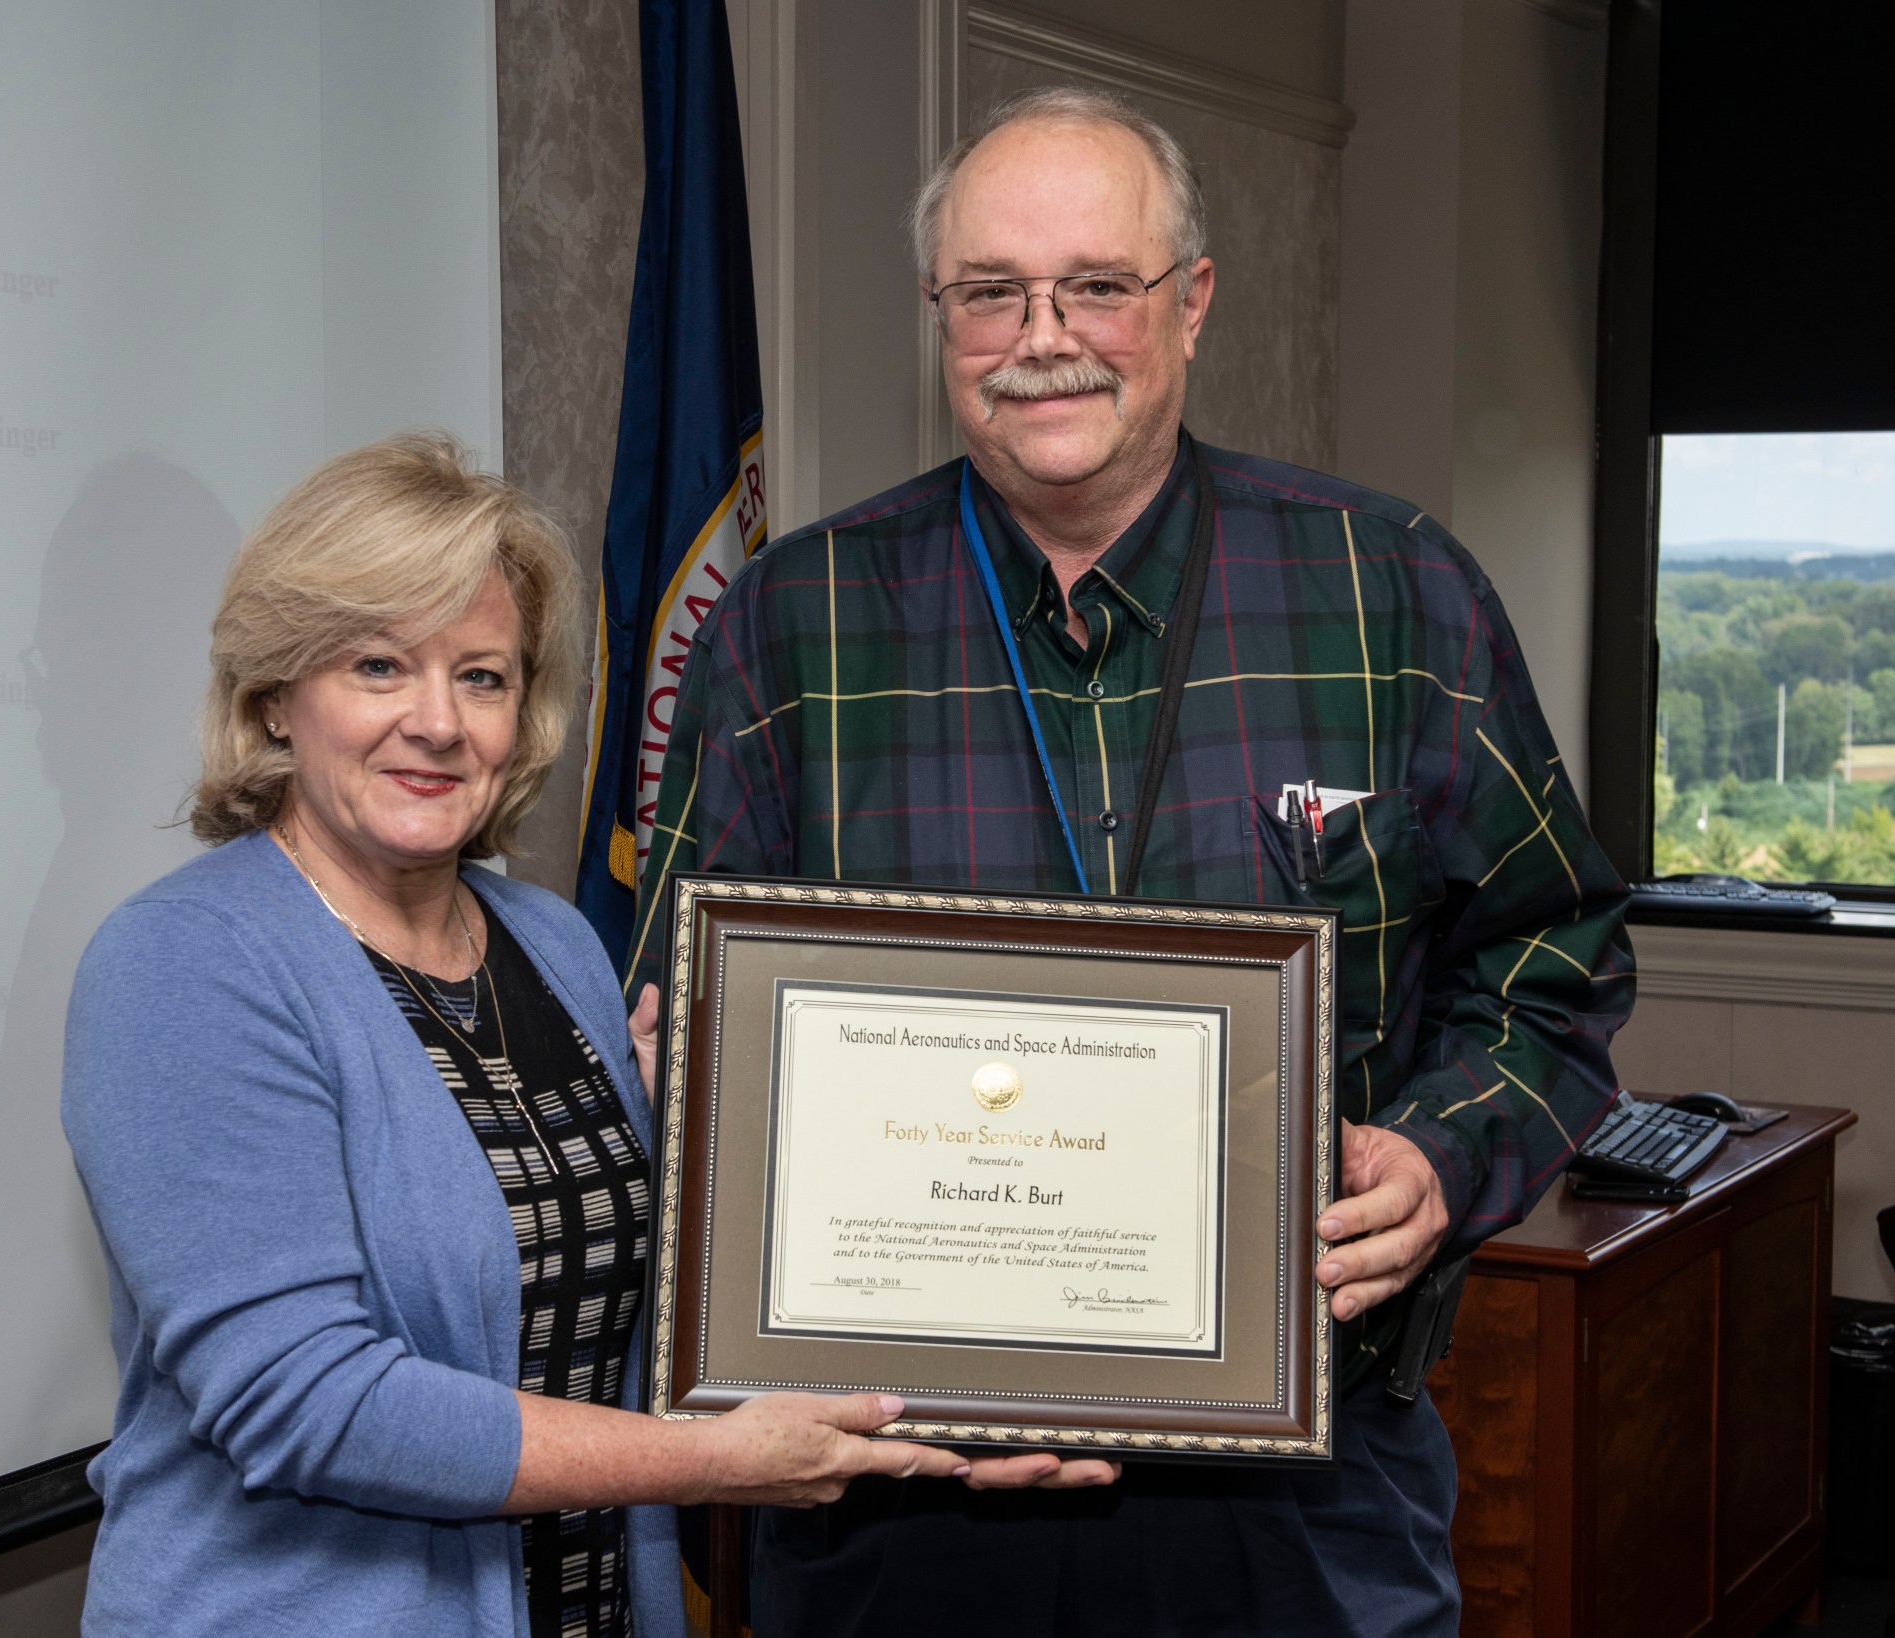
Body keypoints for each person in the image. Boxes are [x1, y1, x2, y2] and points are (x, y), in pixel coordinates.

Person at [626, 87, 1635, 1636]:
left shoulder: (1393, 591)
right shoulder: (792, 625)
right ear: (938, 312)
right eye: (991, 292)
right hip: (905, 1500)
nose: (1046, 334)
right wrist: (686, 1055)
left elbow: (1551, 961)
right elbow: (680, 1007)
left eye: (1099, 284)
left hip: (1303, 1501)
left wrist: (1440, 1156)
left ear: (1193, 302)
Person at [59, 434, 975, 1638]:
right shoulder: (185, 965)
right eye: (379, 666)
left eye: (481, 676)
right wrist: (708, 1463)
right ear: (276, 695)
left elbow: (629, 1306)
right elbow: (306, 1402)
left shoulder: (554, 945)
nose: (437, 723)